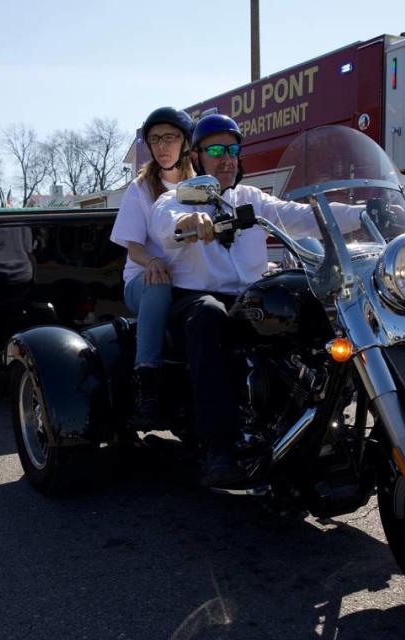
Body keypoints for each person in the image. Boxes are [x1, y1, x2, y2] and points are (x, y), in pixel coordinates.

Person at [148, 113, 340, 486]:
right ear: (196, 156)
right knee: (209, 314)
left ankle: (318, 420)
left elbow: (298, 216)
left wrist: (365, 215)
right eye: (216, 150)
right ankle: (218, 446)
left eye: (232, 149)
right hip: (196, 299)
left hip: (249, 297)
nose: (227, 158)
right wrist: (189, 224)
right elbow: (166, 222)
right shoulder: (178, 198)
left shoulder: (250, 199)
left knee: (310, 302)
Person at [109, 107, 195, 426]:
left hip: (189, 279)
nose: (161, 146)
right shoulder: (140, 188)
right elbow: (133, 247)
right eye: (154, 139)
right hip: (143, 281)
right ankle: (147, 383)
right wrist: (154, 260)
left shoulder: (199, 184)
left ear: (185, 142)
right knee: (158, 282)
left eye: (169, 138)